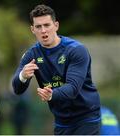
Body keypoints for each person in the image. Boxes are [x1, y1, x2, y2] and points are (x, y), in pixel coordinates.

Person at [12, 4, 101, 135]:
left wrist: (52, 94)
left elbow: (73, 88)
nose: (43, 31)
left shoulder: (76, 50)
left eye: (47, 25)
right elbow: (17, 89)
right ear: (32, 30)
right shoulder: (31, 55)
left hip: (86, 118)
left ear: (56, 26)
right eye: (38, 26)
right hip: (61, 121)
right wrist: (23, 76)